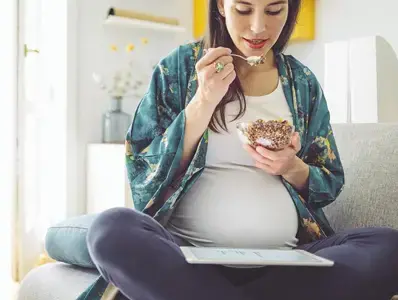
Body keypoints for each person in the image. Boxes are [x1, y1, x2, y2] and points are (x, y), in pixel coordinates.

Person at [82, 0, 398, 299]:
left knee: (389, 247)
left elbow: (328, 184)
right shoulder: (178, 69)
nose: (258, 27)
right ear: (221, 5)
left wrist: (290, 167)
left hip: (289, 264)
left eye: (274, 10)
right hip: (186, 262)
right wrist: (203, 101)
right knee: (109, 231)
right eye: (244, 10)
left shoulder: (302, 82)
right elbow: (142, 181)